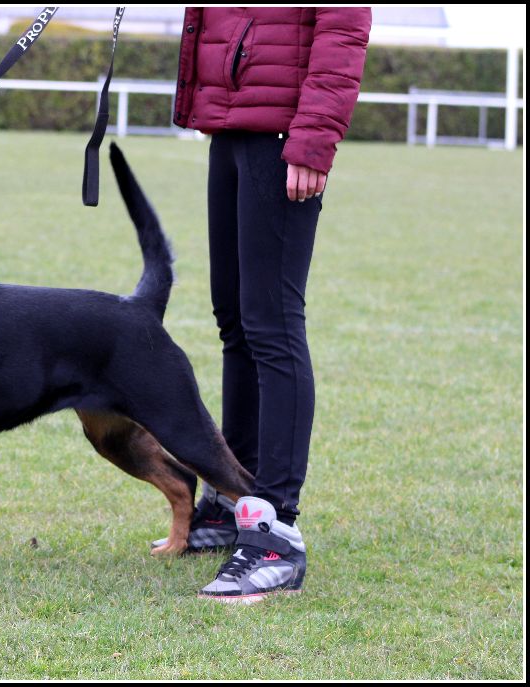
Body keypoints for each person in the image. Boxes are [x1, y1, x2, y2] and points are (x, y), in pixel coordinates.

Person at [154, 7, 372, 602]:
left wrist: (313, 138)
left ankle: (276, 529)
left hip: (283, 134)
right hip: (233, 126)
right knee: (237, 323)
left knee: (272, 327)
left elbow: (342, 30)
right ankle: (233, 496)